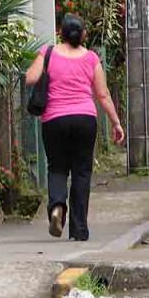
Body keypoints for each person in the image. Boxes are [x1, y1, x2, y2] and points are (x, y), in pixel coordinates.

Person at [25, 15, 124, 241]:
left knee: (57, 167)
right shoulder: (91, 58)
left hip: (54, 120)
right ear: (83, 35)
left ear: (60, 32)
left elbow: (30, 78)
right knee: (81, 172)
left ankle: (57, 207)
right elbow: (103, 94)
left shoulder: (48, 52)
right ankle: (79, 229)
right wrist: (116, 122)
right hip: (84, 119)